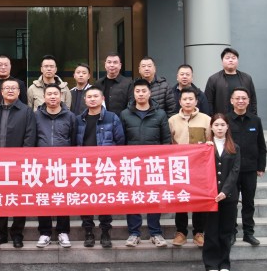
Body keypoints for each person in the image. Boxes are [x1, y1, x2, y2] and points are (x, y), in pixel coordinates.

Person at [121, 78, 172, 247]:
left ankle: (155, 233)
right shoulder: (125, 114)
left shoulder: (160, 114)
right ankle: (134, 233)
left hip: (154, 164)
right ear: (133, 94)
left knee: (153, 198)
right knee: (132, 199)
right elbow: (121, 141)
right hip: (132, 164)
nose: (141, 94)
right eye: (138, 91)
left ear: (150, 93)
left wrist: (164, 162)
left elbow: (166, 140)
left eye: (144, 91)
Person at [0, 79, 37, 248]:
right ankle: (0, 234)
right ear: (1, 91)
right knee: (0, 199)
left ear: (19, 92)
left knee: (18, 199)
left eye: (13, 88)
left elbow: (30, 137)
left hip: (18, 164)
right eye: (7, 88)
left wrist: (22, 160)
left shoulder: (27, 111)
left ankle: (17, 234)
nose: (10, 90)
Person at [75, 86, 125, 248]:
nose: (92, 99)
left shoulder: (112, 117)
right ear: (85, 100)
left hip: (105, 166)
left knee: (105, 200)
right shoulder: (78, 119)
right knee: (85, 200)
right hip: (84, 166)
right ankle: (88, 232)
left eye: (96, 96)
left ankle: (105, 232)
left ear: (102, 99)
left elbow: (120, 141)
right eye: (89, 97)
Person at [35, 84, 77, 248]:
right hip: (42, 164)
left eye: (55, 94)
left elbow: (73, 139)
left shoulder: (70, 116)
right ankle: (45, 233)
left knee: (63, 198)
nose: (52, 97)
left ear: (61, 96)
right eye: (49, 94)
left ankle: (63, 232)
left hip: (63, 164)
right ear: (44, 97)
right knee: (43, 198)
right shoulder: (36, 116)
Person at [168, 87, 211, 247]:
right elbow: (169, 142)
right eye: (184, 99)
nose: (188, 102)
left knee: (199, 199)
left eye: (191, 99)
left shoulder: (206, 119)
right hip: (179, 166)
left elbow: (210, 140)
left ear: (196, 101)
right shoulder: (172, 120)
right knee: (181, 198)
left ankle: (199, 232)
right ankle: (181, 232)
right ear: (180, 101)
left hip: (200, 167)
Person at [226, 87, 266, 246]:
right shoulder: (226, 120)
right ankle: (231, 232)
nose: (240, 101)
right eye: (237, 98)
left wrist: (261, 166)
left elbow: (261, 145)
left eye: (244, 98)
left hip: (250, 169)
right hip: (231, 170)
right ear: (231, 101)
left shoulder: (256, 120)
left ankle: (249, 233)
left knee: (249, 202)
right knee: (231, 203)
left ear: (248, 101)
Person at [203, 113, 241, 271]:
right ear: (211, 127)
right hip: (210, 197)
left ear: (227, 127)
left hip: (228, 196)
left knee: (226, 231)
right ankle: (211, 263)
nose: (219, 128)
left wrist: (225, 191)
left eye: (222, 125)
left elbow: (235, 171)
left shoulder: (235, 147)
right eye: (216, 125)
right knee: (211, 231)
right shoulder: (205, 147)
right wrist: (203, 148)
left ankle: (224, 263)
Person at [204, 47, 258, 116]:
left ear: (237, 60)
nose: (230, 60)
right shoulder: (213, 79)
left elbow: (253, 100)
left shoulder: (247, 78)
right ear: (222, 61)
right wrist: (212, 119)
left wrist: (253, 117)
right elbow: (208, 102)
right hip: (222, 119)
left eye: (233, 58)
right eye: (227, 58)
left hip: (244, 119)